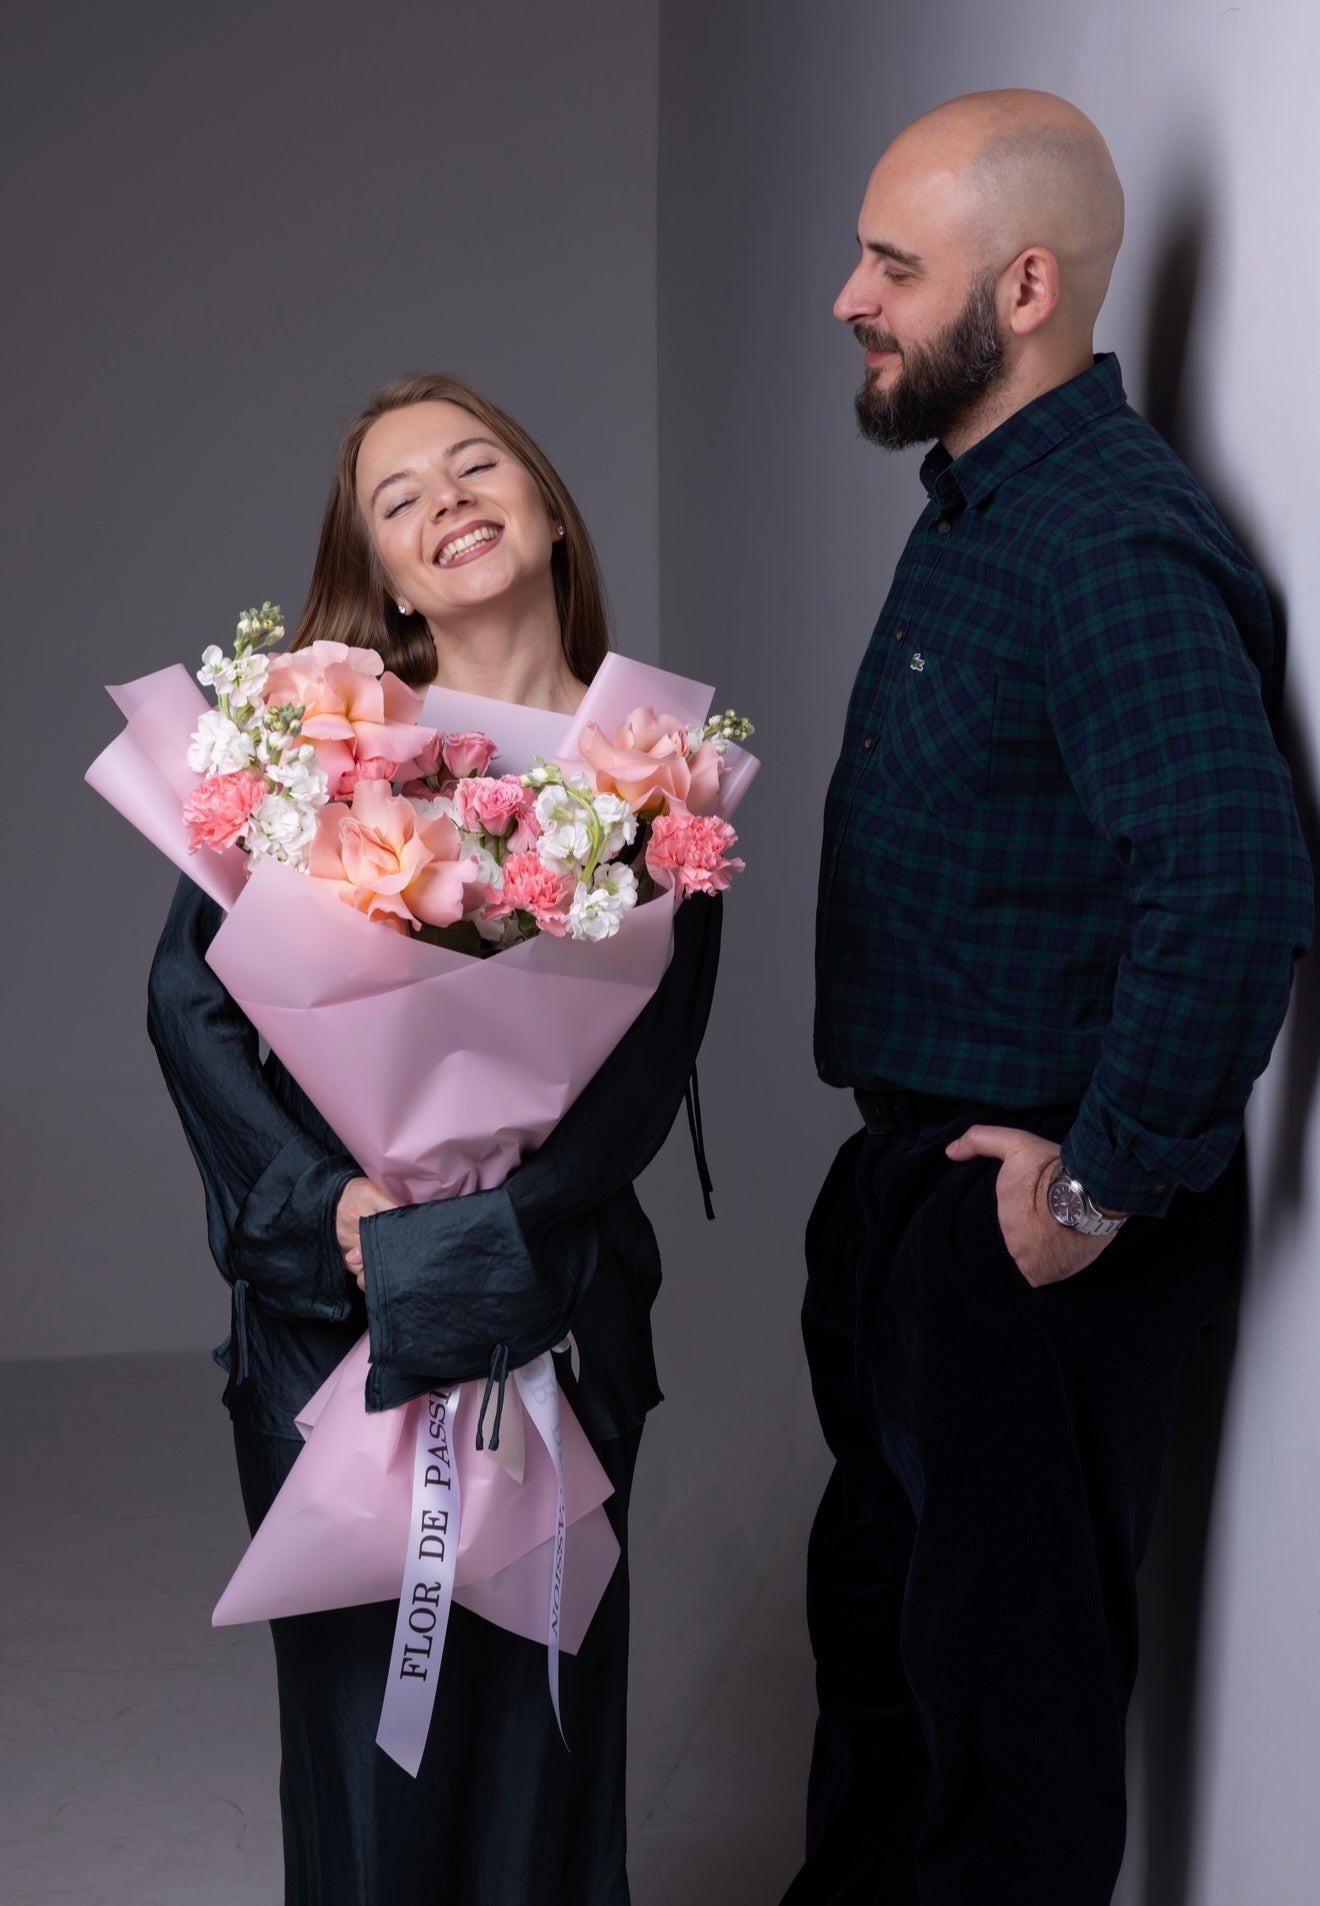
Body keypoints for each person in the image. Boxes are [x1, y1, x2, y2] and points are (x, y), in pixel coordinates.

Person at [785, 90, 1313, 1906]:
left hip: (1030, 1222)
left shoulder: (1107, 538)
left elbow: (1236, 874)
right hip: (921, 1185)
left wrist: (1095, 1178)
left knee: (1005, 1728)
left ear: (1022, 288)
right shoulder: (986, 500)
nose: (849, 297)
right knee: (884, 1657)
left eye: (891, 264)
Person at [147, 374, 723, 1906]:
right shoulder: (312, 741)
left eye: (478, 466)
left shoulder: (658, 773)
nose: (447, 501)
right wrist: (336, 1207)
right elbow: (188, 1006)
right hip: (335, 1323)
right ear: (384, 574)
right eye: (399, 500)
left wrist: (494, 1235)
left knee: (547, 1735)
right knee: (365, 1749)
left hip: (557, 1317)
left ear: (545, 507)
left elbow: (648, 1055)